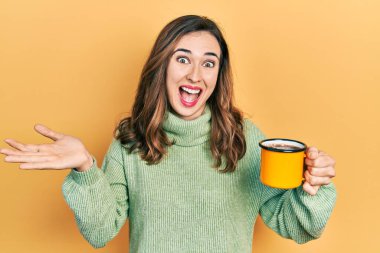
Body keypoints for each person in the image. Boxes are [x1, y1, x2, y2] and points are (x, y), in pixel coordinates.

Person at [0, 15, 336, 252]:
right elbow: (101, 232)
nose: (195, 75)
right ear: (162, 66)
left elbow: (292, 224)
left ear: (219, 75)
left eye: (208, 63)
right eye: (182, 59)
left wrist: (311, 189)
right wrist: (85, 168)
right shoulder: (131, 143)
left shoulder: (242, 139)